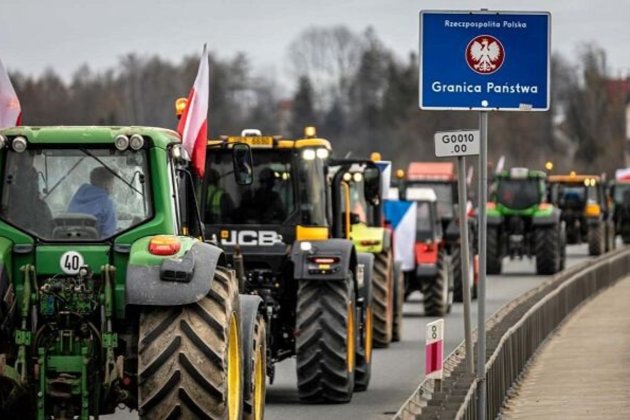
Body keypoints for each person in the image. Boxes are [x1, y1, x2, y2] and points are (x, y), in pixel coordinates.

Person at [68, 167, 117, 237]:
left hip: (71, 240)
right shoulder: (108, 203)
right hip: (95, 245)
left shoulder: (77, 197)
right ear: (107, 184)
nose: (114, 186)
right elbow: (109, 234)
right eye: (113, 183)